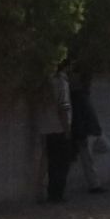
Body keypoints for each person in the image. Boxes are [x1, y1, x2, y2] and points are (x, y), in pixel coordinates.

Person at [41, 61, 74, 203]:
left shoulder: (47, 83)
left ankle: (51, 193)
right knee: (62, 163)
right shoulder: (62, 82)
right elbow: (63, 107)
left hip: (48, 127)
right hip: (60, 128)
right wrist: (67, 129)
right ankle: (58, 194)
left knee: (52, 163)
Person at [70, 72, 107, 194]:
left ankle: (95, 184)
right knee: (88, 160)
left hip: (89, 131)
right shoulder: (79, 98)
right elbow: (80, 118)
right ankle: (94, 185)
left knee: (89, 159)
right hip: (87, 133)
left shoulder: (81, 97)